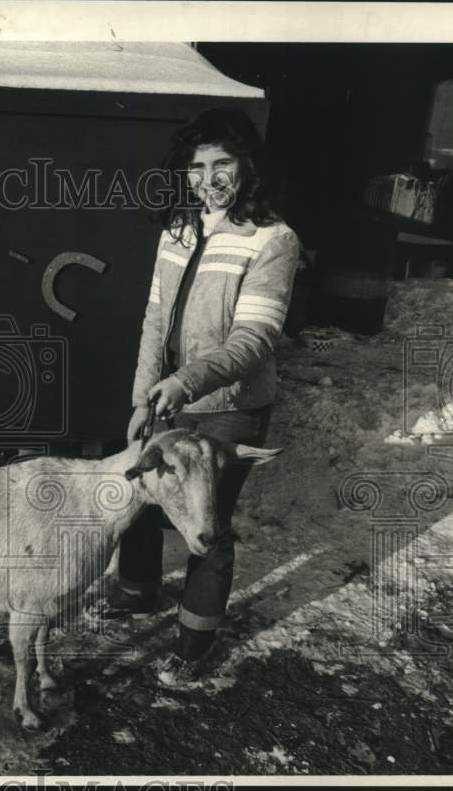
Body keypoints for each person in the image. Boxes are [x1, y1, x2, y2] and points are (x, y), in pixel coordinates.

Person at [107, 106, 300, 686]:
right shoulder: (179, 228)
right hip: (166, 399)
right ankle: (137, 593)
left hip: (228, 410)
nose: (209, 179)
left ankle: (195, 640)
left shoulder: (273, 240)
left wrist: (185, 382)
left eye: (222, 164)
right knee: (143, 496)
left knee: (204, 526)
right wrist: (144, 395)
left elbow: (254, 339)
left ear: (248, 168)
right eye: (197, 167)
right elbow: (155, 317)